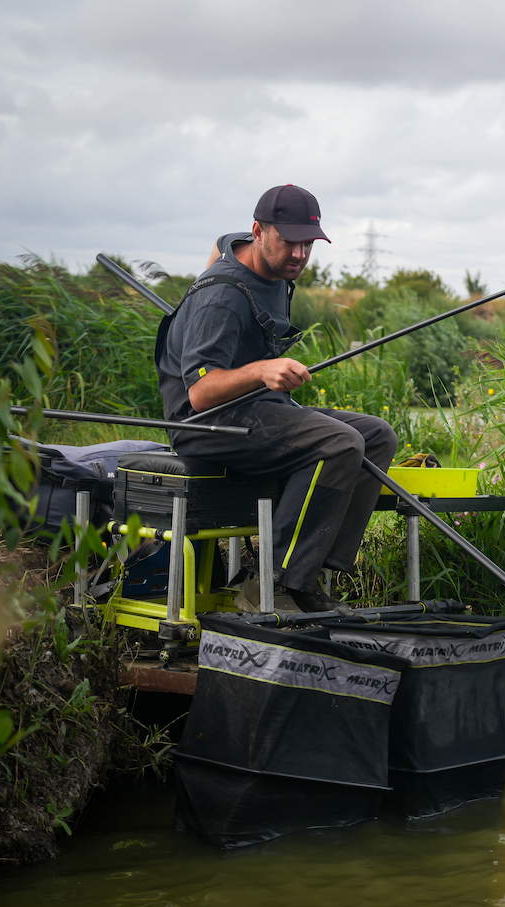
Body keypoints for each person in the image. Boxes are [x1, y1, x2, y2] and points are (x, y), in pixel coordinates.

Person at [156, 184, 398, 612]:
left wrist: (210, 269)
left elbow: (219, 244)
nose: (299, 255)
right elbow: (199, 393)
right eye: (289, 242)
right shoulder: (222, 300)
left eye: (308, 244)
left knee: (376, 435)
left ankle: (314, 570)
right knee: (340, 443)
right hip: (206, 423)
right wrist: (262, 369)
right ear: (260, 231)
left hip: (254, 409)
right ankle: (272, 584)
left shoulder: (249, 250)